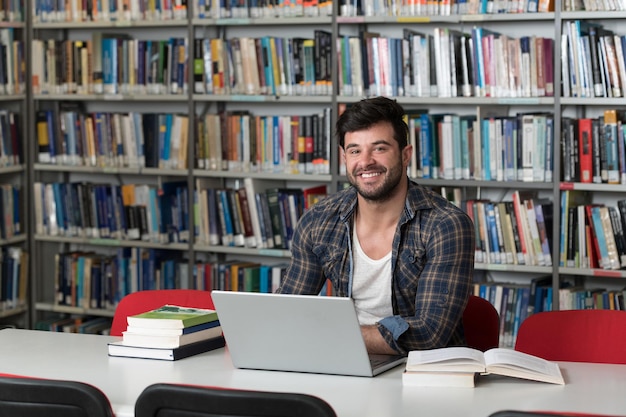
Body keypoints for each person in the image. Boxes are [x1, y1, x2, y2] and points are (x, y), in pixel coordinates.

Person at [276, 96, 475, 355]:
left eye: (379, 148)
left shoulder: (446, 225)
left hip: (422, 373)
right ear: (344, 157)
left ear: (405, 155)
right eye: (355, 150)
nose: (366, 161)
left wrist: (331, 334)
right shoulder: (319, 220)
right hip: (344, 361)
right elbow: (285, 309)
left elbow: (429, 334)